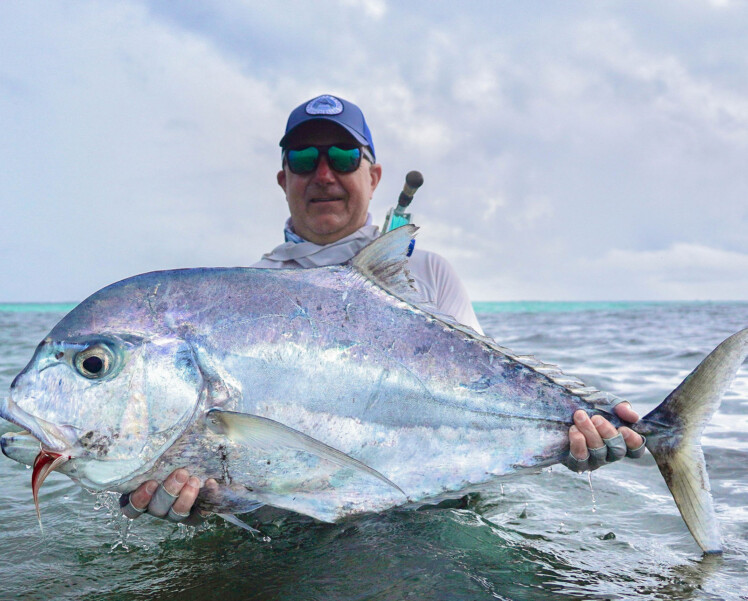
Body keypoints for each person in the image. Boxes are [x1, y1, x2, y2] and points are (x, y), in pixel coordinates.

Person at [120, 95, 645, 524]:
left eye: (344, 158)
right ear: (283, 181)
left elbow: (485, 405)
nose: (323, 174)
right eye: (303, 160)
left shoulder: (430, 273)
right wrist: (195, 501)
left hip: (432, 521)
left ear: (373, 176)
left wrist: (569, 439)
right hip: (296, 536)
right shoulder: (251, 300)